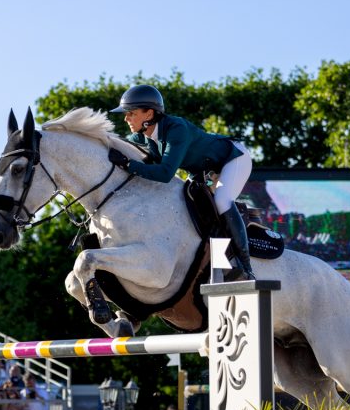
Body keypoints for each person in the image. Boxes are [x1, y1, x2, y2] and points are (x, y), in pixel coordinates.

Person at [107, 84, 255, 280]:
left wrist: (128, 164)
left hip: (231, 158)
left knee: (221, 201)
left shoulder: (177, 129)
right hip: (202, 170)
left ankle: (245, 266)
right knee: (193, 206)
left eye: (131, 113)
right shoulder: (141, 136)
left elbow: (165, 174)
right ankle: (221, 266)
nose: (126, 118)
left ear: (149, 114)